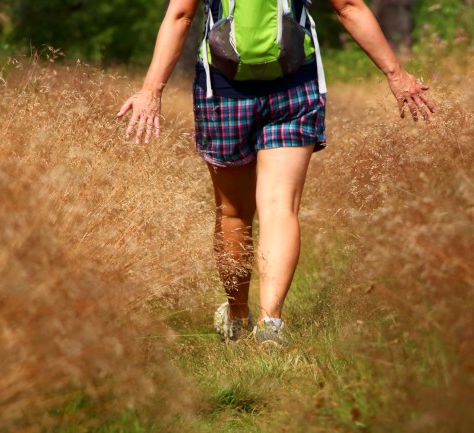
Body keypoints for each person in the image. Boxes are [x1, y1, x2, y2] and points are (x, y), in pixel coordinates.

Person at [117, 0, 435, 345]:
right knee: (280, 207)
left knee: (234, 213)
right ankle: (270, 324)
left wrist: (151, 90)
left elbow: (180, 16)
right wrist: (396, 74)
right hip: (294, 84)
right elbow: (348, 7)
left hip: (224, 91)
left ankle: (237, 318)